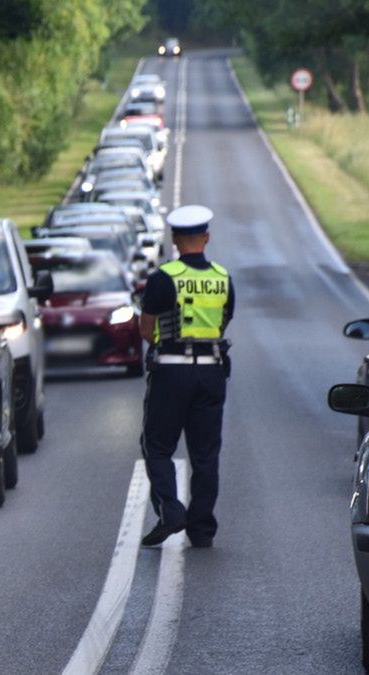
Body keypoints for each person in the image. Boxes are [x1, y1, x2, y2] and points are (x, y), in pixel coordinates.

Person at [137, 205, 235, 548]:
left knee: (157, 446)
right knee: (205, 454)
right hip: (212, 371)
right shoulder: (222, 277)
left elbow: (146, 329)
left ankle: (171, 510)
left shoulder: (164, 278)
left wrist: (165, 341)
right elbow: (223, 322)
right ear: (206, 238)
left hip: (171, 372)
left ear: (175, 240)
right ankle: (202, 529)